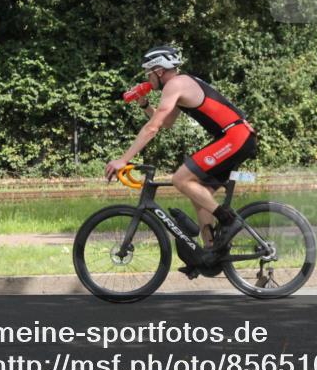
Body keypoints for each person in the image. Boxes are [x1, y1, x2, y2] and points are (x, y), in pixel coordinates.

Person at [104, 46, 257, 272]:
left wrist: (123, 159)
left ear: (158, 71)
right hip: (234, 136)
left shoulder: (175, 84)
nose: (147, 79)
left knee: (181, 179)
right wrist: (145, 104)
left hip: (235, 136)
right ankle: (212, 254)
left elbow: (153, 128)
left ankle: (228, 219)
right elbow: (165, 122)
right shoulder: (178, 85)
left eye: (147, 73)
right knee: (200, 194)